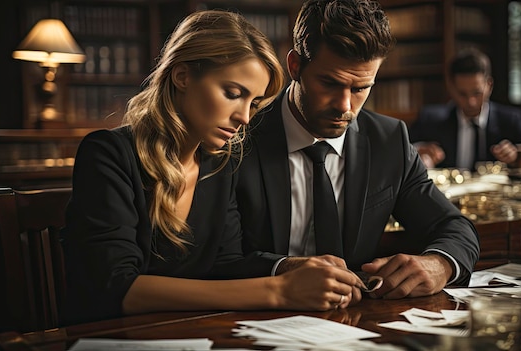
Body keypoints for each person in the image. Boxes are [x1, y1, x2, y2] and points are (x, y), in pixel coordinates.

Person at [61, 10, 364, 325]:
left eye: (254, 102)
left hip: (192, 336)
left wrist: (288, 267)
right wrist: (279, 291)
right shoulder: (108, 154)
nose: (245, 117)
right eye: (233, 94)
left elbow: (226, 265)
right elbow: (115, 288)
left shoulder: (219, 164)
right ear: (182, 76)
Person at [236, 0, 480, 303]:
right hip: (252, 316)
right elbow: (216, 258)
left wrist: (439, 264)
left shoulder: (388, 140)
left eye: (360, 88)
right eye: (329, 83)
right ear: (295, 66)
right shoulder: (239, 135)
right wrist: (283, 268)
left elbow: (454, 227)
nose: (344, 106)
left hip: (356, 322)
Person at [409, 47, 521, 170]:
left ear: (489, 85)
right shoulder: (430, 120)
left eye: (477, 93)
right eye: (462, 94)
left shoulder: (511, 120)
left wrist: (516, 157)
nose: (471, 102)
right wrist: (419, 153)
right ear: (451, 88)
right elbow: (402, 152)